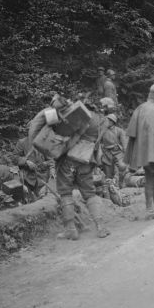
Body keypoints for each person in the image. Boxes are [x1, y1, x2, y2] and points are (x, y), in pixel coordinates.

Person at [54, 99, 111, 240]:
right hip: (87, 158)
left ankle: (71, 230)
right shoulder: (102, 120)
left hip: (69, 158)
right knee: (90, 193)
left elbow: (62, 133)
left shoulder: (79, 115)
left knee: (65, 192)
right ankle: (100, 227)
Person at [124, 83, 154, 220]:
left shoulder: (142, 107)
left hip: (145, 151)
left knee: (150, 179)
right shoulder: (153, 110)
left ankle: (150, 209)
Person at [99, 113, 128, 185]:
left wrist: (126, 152)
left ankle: (121, 182)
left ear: (112, 122)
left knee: (122, 166)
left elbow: (124, 143)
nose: (106, 122)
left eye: (108, 121)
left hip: (117, 151)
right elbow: (98, 142)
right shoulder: (102, 131)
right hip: (106, 152)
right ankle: (110, 188)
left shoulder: (120, 131)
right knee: (108, 174)